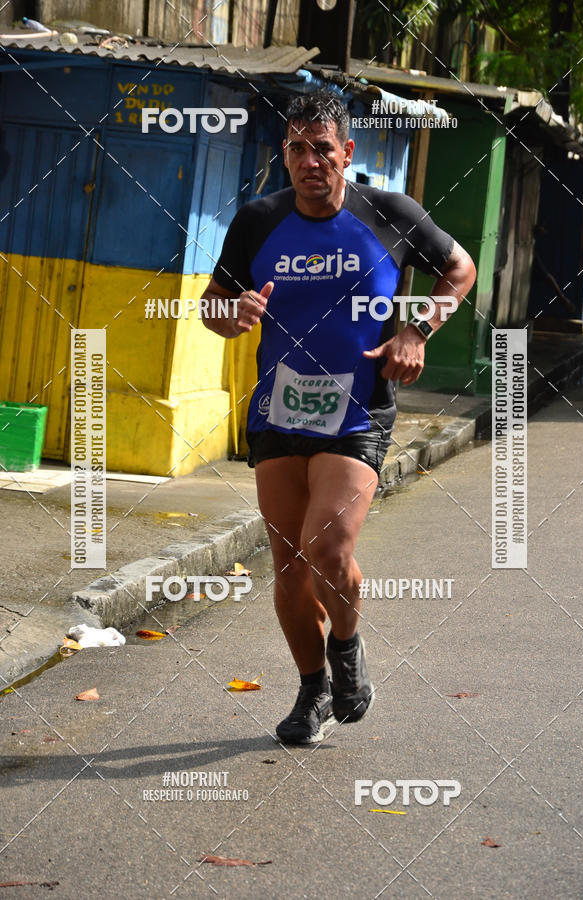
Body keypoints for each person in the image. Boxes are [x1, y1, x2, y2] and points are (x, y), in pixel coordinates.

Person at [201, 89, 476, 744]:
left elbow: (459, 268)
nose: (310, 161)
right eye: (296, 148)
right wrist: (229, 317)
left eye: (322, 148)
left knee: (328, 548)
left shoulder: (389, 214)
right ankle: (313, 689)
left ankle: (346, 648)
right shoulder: (257, 222)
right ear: (285, 156)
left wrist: (418, 329)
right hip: (276, 411)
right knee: (289, 566)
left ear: (346, 152)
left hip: (356, 411)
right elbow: (213, 305)